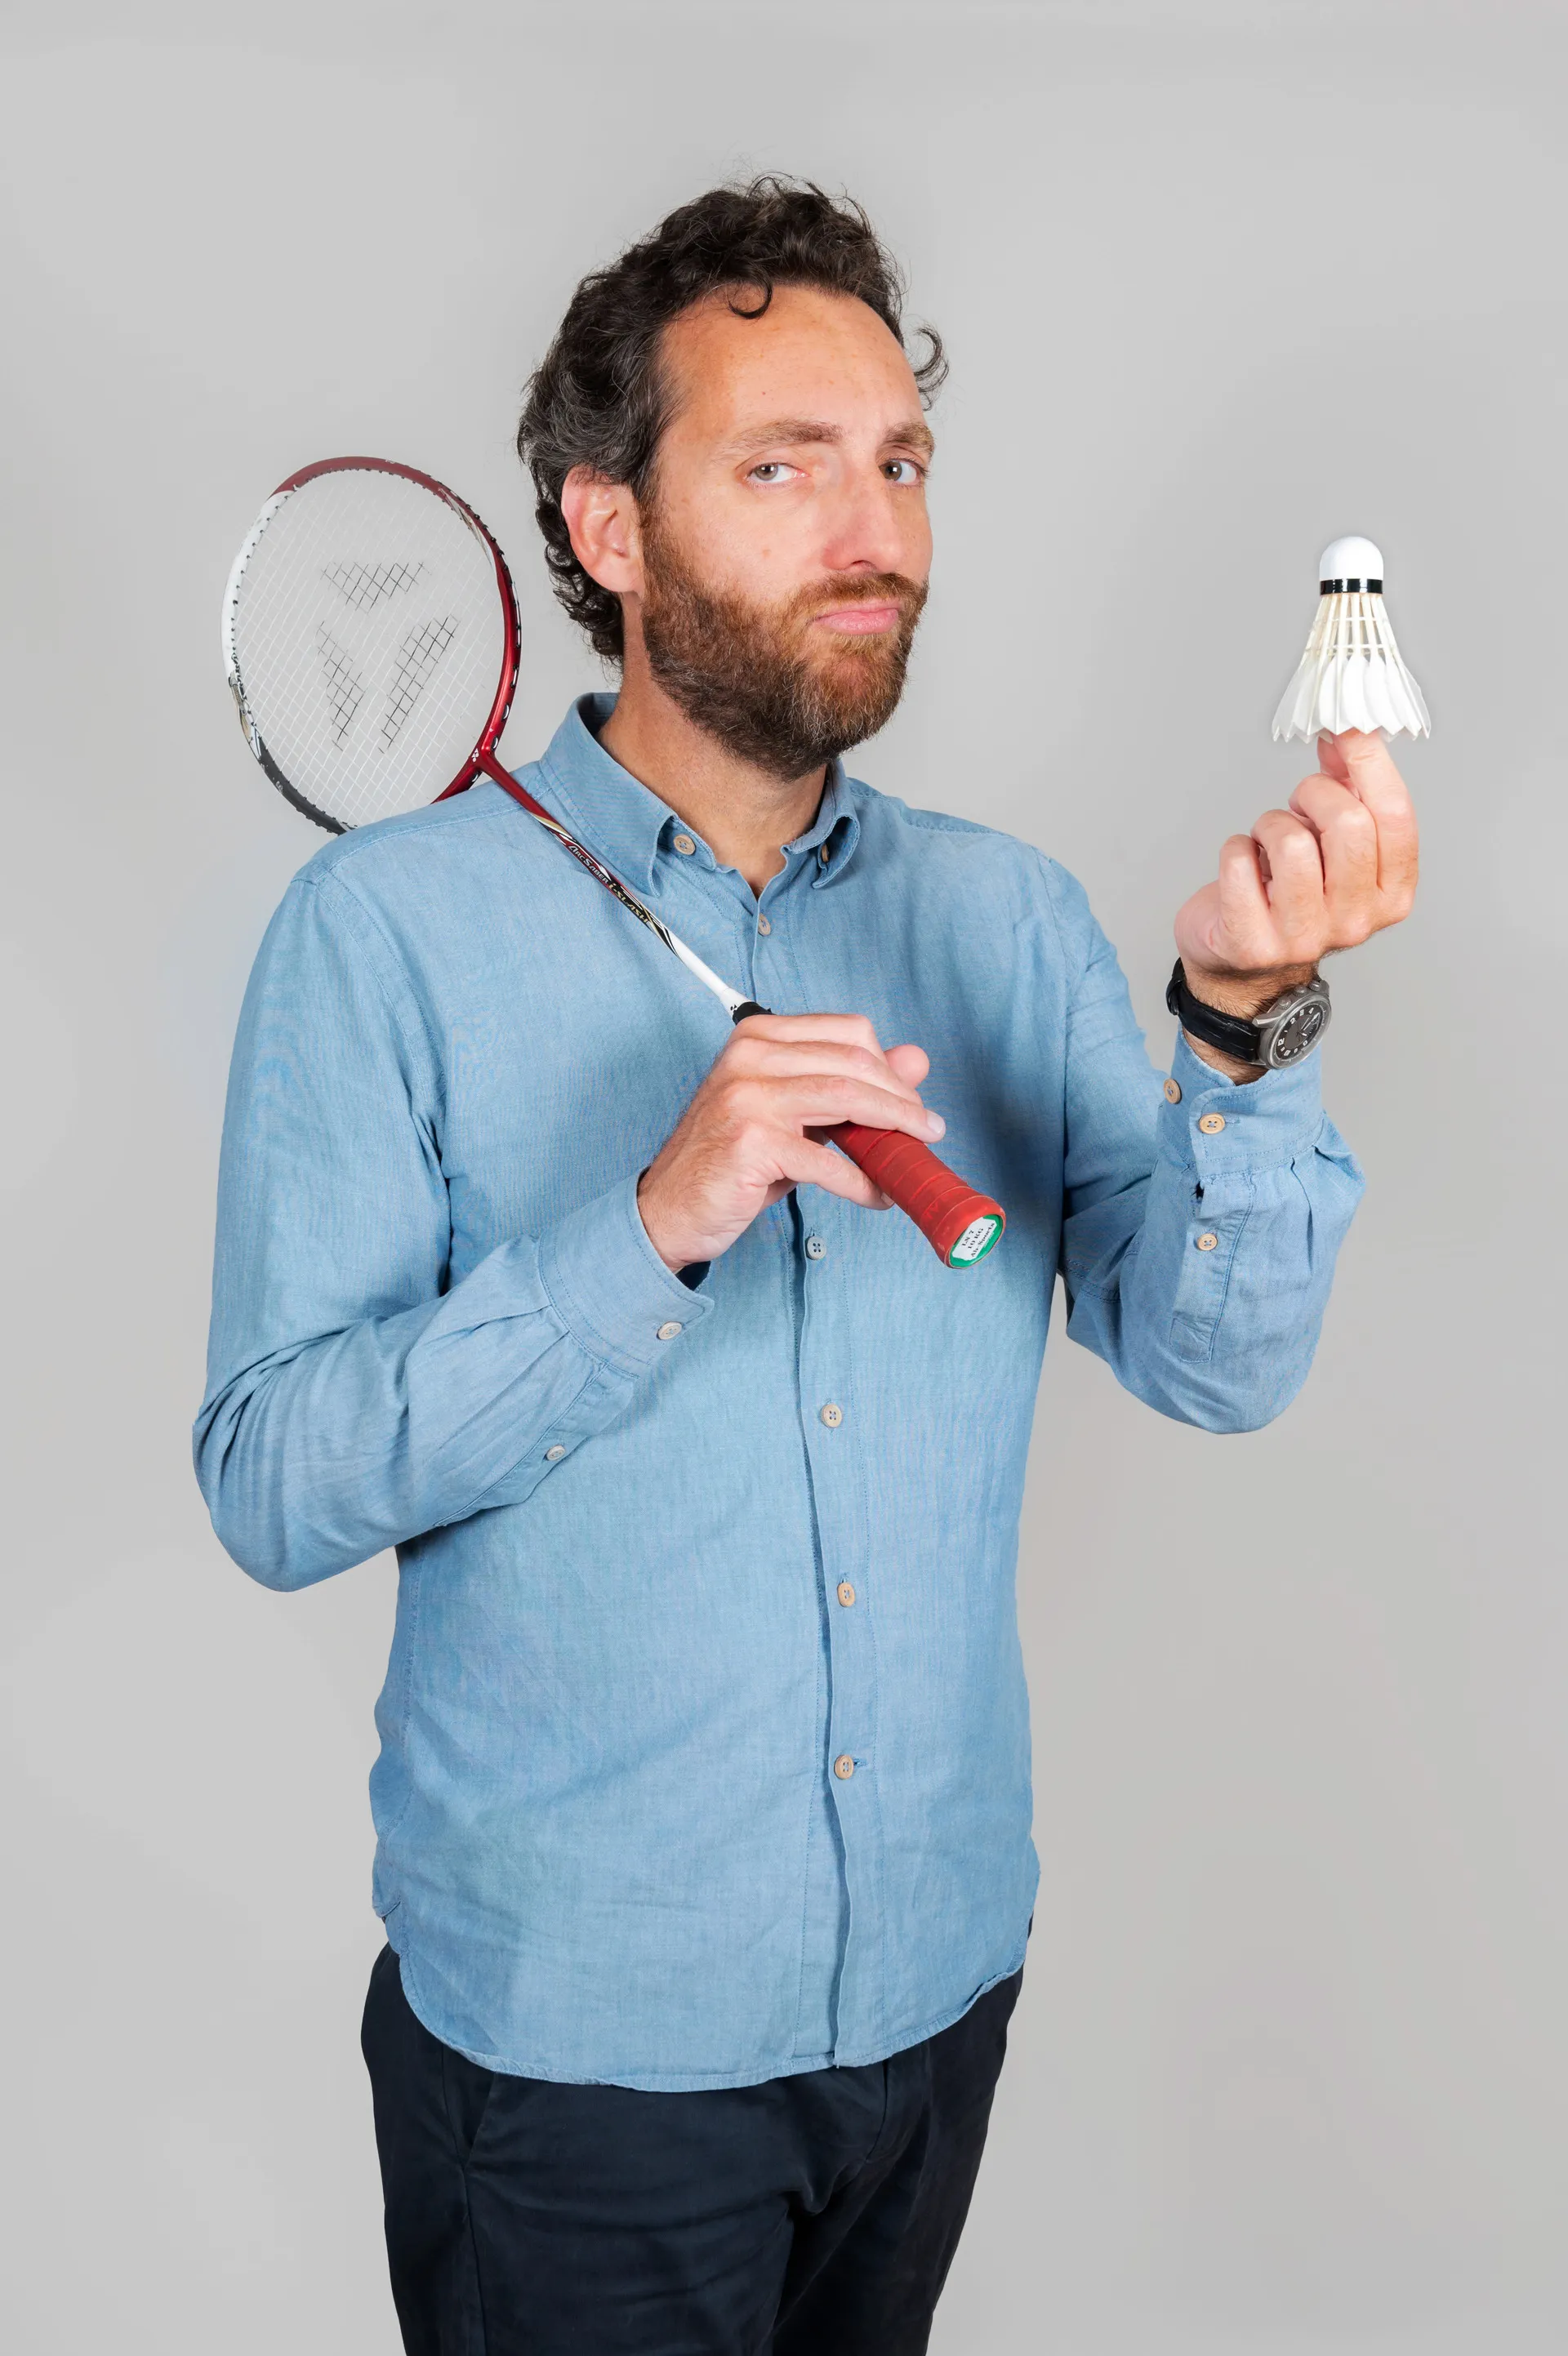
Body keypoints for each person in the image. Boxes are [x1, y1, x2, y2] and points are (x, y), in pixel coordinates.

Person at [195, 178, 1417, 2354]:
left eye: (901, 462)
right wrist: (647, 1223)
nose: (877, 532)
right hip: (577, 2066)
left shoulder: (1010, 920)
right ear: (604, 528)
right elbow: (274, 1479)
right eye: (783, 466)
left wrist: (1241, 1027)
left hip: (931, 2003)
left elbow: (1212, 1362)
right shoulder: (383, 940)